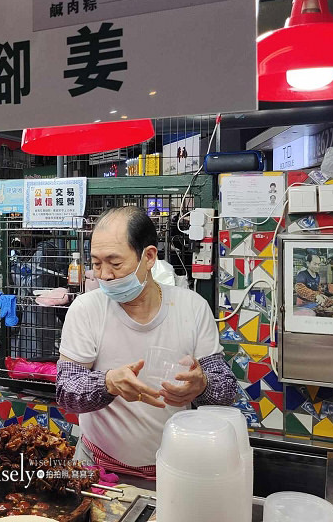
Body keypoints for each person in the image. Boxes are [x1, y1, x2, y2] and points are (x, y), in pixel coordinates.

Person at [56, 206, 237, 480]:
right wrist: (107, 383)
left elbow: (227, 391)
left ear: (149, 257)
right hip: (97, 464)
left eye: (115, 263)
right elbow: (66, 391)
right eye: (96, 263)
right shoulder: (86, 309)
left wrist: (203, 385)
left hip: (175, 469)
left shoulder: (191, 308)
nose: (104, 275)